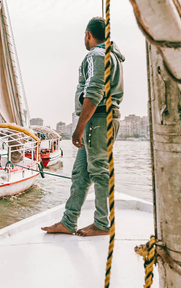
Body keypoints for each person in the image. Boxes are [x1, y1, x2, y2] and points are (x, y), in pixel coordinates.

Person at [42, 17, 124, 236]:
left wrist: (78, 128)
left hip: (98, 120)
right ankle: (68, 222)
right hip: (99, 120)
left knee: (98, 171)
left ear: (88, 34)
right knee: (81, 173)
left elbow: (94, 91)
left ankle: (102, 223)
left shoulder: (96, 55)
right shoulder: (111, 56)